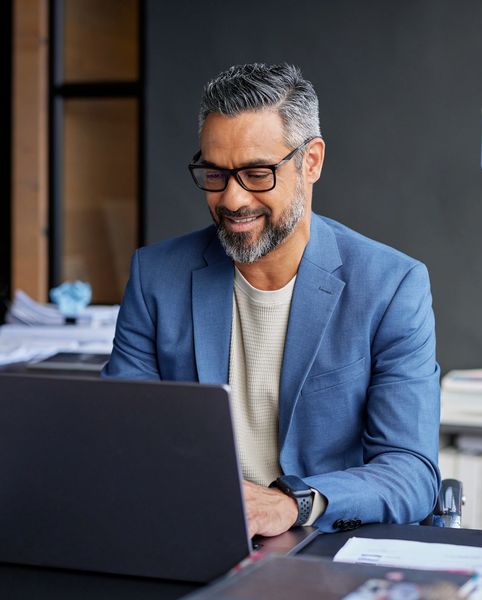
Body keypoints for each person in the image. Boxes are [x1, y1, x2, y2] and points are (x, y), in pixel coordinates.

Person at [103, 63, 441, 538]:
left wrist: (293, 505)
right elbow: (120, 439)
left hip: (322, 546)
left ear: (312, 161)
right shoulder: (156, 277)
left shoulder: (390, 285)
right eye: (215, 174)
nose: (233, 199)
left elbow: (411, 471)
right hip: (188, 536)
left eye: (258, 173)